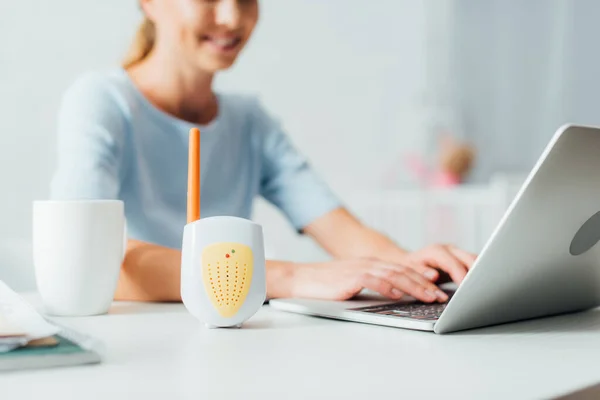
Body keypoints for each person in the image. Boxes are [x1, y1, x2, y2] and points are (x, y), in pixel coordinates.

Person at [50, 0, 476, 303]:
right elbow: (86, 257)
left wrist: (409, 266)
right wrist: (289, 276)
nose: (233, 16)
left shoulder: (248, 120)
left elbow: (337, 227)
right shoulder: (101, 101)